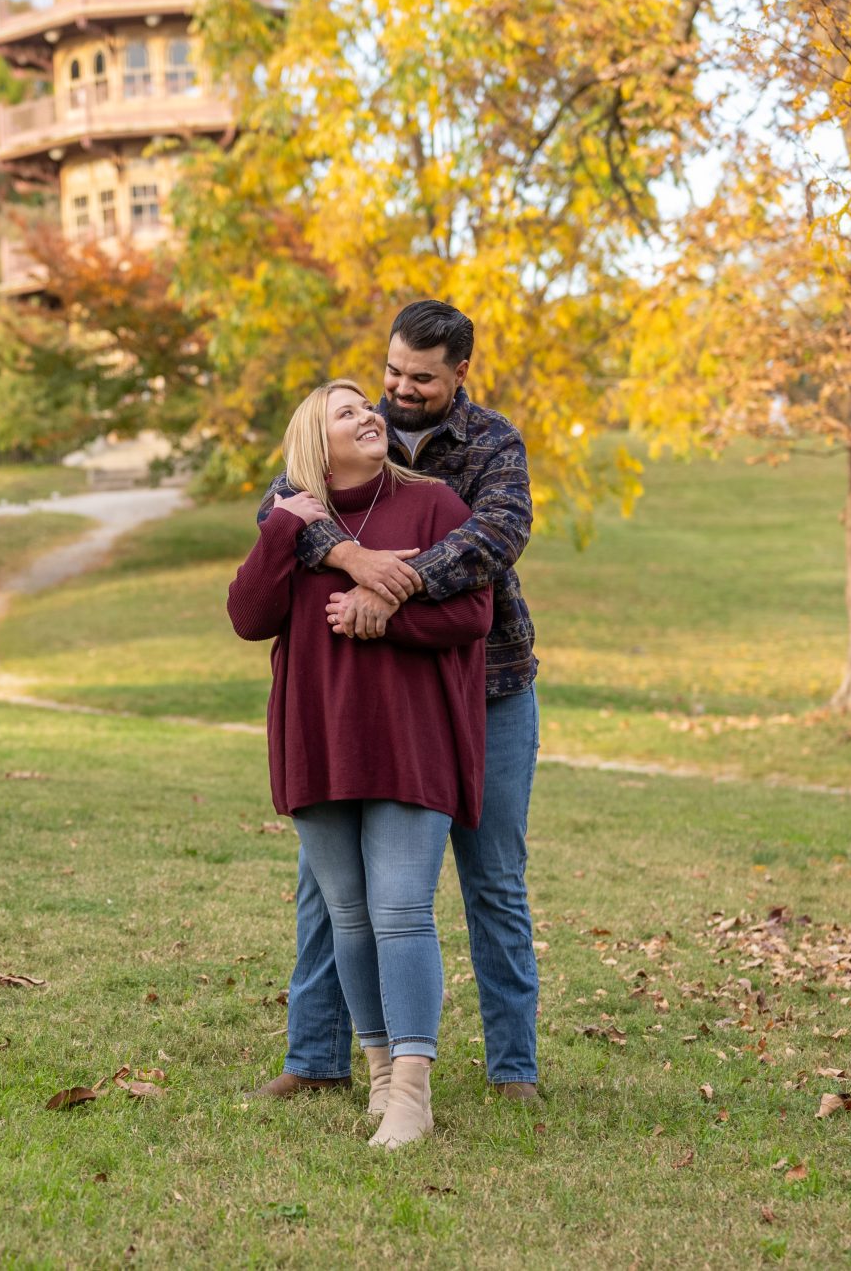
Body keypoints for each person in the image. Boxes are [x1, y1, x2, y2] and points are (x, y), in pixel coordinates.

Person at [248, 299, 544, 1105]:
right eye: (392, 370)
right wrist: (353, 556)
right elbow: (282, 507)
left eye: (421, 378)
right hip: (381, 701)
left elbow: (495, 538)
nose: (399, 389)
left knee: (493, 877)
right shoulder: (349, 426)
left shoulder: (492, 443)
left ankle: (513, 1068)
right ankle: (316, 1055)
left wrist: (393, 588)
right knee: (330, 889)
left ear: (460, 373)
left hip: (491, 686)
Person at [227, 379, 492, 1148]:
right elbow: (248, 615)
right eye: (347, 412)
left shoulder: (432, 504)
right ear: (317, 440)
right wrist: (284, 528)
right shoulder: (293, 519)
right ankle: (379, 1074)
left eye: (365, 407)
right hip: (319, 739)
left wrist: (388, 614)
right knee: (348, 916)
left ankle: (412, 1090)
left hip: (410, 738)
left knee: (402, 909)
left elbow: (475, 611)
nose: (370, 414)